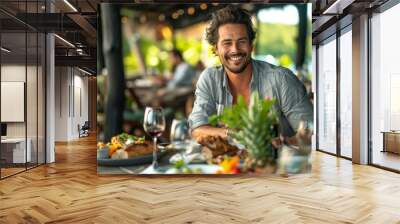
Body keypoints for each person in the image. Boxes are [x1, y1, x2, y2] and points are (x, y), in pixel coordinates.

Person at [188, 5, 313, 146]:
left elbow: (311, 133)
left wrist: (282, 143)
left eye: (241, 42)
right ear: (216, 49)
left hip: (279, 165)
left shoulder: (281, 79)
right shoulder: (209, 79)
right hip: (227, 165)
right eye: (227, 43)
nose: (235, 50)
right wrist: (234, 134)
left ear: (251, 45)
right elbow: (197, 129)